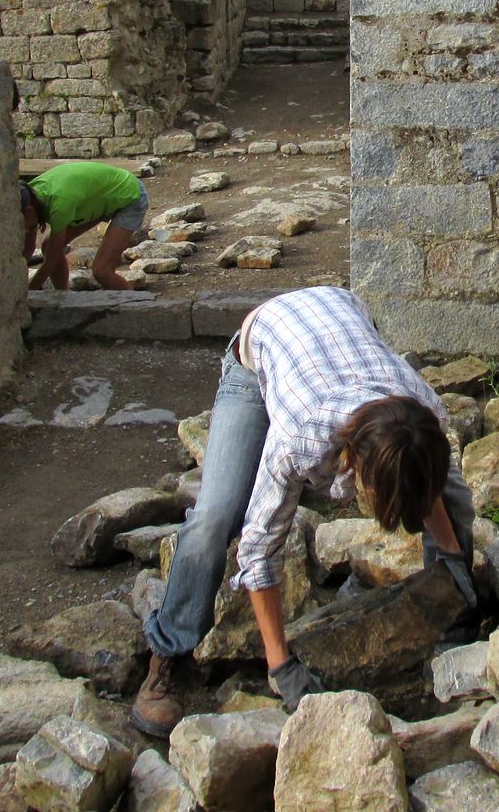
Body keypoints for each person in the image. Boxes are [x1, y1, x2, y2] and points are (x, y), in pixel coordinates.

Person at [131, 285, 476, 735]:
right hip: (258, 353)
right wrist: (282, 667)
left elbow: (418, 474)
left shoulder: (424, 410)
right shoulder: (302, 439)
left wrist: (452, 562)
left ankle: (456, 627)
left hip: (339, 318)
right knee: (217, 515)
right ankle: (168, 652)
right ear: (357, 470)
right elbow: (258, 550)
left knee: (454, 495)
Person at [20, 161, 148, 291]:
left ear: (29, 211)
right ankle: (61, 298)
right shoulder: (29, 195)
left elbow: (51, 261)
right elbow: (27, 249)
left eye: (18, 222)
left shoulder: (59, 204)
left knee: (102, 271)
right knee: (48, 245)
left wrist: (27, 296)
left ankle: (136, 304)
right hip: (97, 198)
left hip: (129, 195)